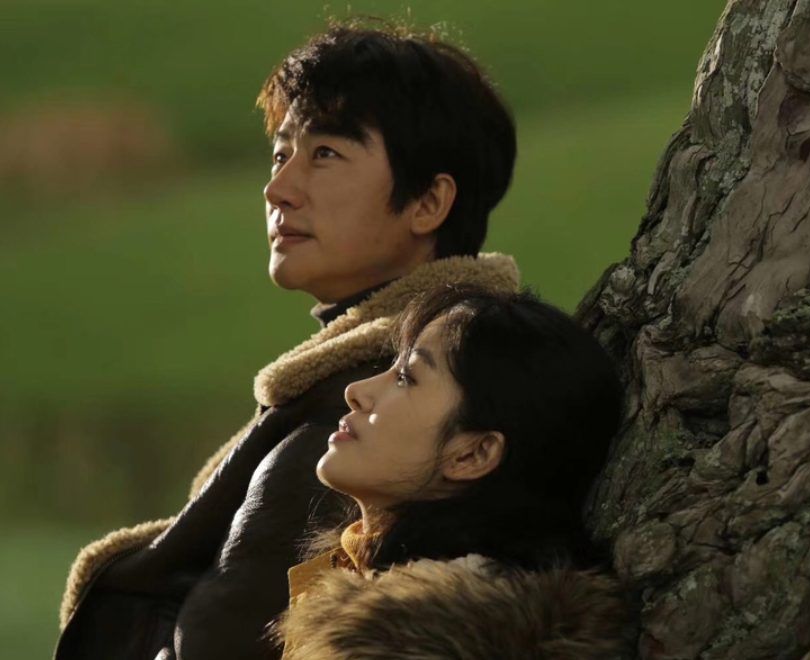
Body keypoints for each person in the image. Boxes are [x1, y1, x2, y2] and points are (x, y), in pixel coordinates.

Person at [56, 18, 519, 660]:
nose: (278, 190)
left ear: (428, 203)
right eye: (280, 155)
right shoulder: (403, 374)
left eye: (325, 154)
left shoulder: (369, 416)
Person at [275, 284, 628, 659]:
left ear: (473, 454)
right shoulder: (366, 584)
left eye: (406, 377)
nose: (356, 391)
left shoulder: (415, 638)